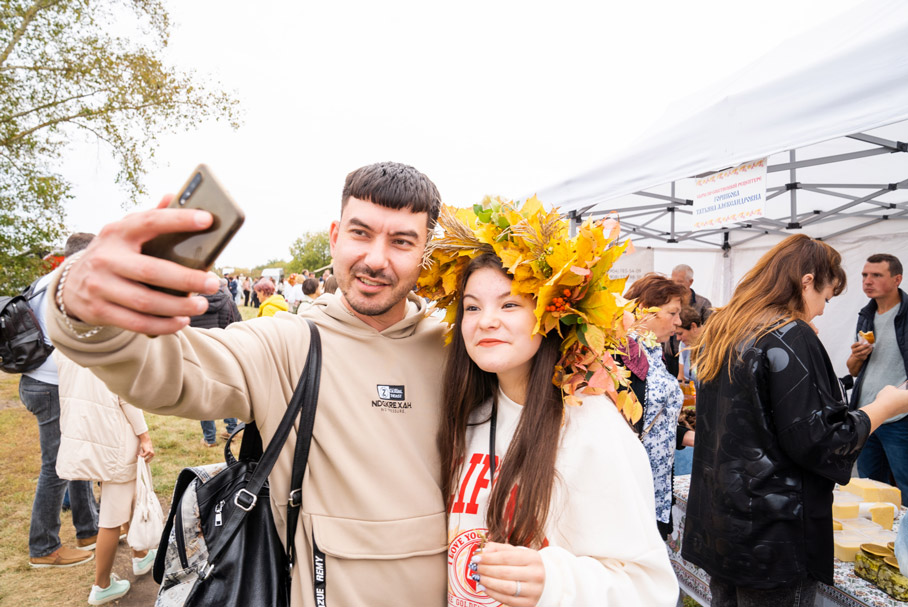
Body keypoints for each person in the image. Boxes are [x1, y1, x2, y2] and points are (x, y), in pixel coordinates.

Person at [46, 161, 447, 607]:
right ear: (335, 235)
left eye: (402, 241)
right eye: (361, 233)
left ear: (427, 250)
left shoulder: (460, 349)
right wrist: (81, 307)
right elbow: (169, 371)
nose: (376, 258)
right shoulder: (288, 344)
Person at [420, 200, 678, 607]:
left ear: (550, 316)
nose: (485, 320)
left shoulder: (591, 428)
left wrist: (555, 582)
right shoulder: (468, 416)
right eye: (472, 307)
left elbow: (651, 589)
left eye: (509, 304)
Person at [682, 235, 908, 606]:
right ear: (807, 282)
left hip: (723, 525)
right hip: (772, 536)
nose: (820, 311)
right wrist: (885, 406)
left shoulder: (728, 327)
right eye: (824, 298)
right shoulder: (789, 334)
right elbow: (822, 440)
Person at [21, 232, 99, 569]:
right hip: (51, 385)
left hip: (39, 379)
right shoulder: (71, 283)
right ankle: (43, 546)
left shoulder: (45, 281)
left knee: (74, 453)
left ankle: (88, 529)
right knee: (55, 466)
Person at [54, 351, 156, 605]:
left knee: (128, 496)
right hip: (114, 433)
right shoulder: (110, 347)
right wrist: (144, 436)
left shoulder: (64, 346)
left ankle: (141, 553)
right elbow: (127, 397)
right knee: (112, 516)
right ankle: (102, 585)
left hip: (86, 430)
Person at [619, 273, 690, 538]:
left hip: (656, 484)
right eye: (672, 313)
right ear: (643, 311)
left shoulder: (658, 353)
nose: (679, 321)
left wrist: (690, 437)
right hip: (630, 488)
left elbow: (657, 418)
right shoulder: (617, 354)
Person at [846, 253, 908, 504]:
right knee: (869, 488)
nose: (867, 281)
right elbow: (853, 370)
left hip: (900, 419)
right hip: (867, 415)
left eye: (876, 275)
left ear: (897, 279)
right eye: (864, 275)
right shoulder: (866, 315)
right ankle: (877, 541)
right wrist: (856, 356)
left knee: (904, 488)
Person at [190, 274, 242, 446]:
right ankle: (232, 430)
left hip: (201, 356)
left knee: (204, 395)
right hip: (224, 353)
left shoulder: (193, 305)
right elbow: (238, 326)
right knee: (228, 391)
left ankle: (210, 438)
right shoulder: (228, 302)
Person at [676, 306, 704, 384]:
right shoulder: (683, 345)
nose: (678, 338)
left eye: (680, 333)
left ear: (693, 327)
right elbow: (681, 377)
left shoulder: (713, 345)